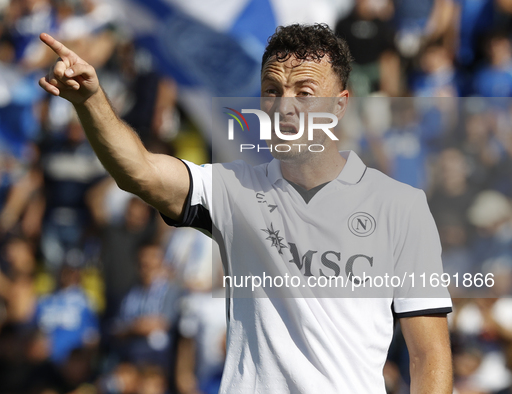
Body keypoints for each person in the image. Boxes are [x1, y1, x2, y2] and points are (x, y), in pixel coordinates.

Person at [38, 23, 453, 393]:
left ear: (340, 105)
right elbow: (140, 172)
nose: (284, 105)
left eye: (304, 93)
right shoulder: (232, 188)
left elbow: (429, 357)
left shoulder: (401, 207)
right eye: (272, 90)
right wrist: (91, 101)